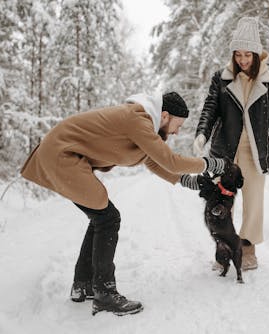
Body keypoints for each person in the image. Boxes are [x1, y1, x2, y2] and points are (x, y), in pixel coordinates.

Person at [20, 92, 227, 316]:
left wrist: (185, 180)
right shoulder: (137, 119)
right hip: (62, 156)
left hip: (62, 156)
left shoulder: (141, 123)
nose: (177, 131)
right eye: (178, 125)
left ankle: (84, 284)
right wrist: (210, 163)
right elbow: (171, 161)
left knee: (101, 217)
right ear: (165, 115)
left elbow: (152, 160)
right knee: (108, 219)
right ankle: (104, 294)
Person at [193, 17, 269, 271]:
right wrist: (201, 134)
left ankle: (247, 250)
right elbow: (210, 109)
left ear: (257, 54)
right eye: (238, 54)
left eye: (247, 55)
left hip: (254, 151)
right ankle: (224, 250)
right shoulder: (222, 78)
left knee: (253, 203)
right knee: (220, 204)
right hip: (225, 151)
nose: (242, 60)